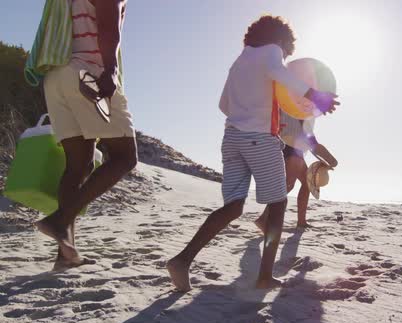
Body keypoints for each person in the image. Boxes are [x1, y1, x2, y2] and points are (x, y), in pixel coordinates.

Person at [166, 15, 339, 291]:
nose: (284, 56)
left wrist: (255, 109)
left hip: (231, 137)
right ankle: (264, 276)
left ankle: (182, 261)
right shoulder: (272, 52)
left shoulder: (239, 61)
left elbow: (223, 104)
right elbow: (279, 72)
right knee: (279, 204)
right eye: (286, 49)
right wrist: (314, 96)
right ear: (280, 40)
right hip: (259, 139)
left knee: (233, 207)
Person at [30, 0, 137, 270]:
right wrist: (111, 69)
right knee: (124, 157)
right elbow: (108, 27)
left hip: (56, 78)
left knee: (78, 166)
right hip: (88, 74)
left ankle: (65, 255)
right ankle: (60, 219)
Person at [254, 110, 337, 231]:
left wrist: (330, 160)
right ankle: (264, 219)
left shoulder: (303, 118)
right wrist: (332, 160)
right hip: (288, 149)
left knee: (305, 183)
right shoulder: (288, 109)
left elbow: (313, 145)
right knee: (288, 184)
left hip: (294, 151)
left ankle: (301, 222)